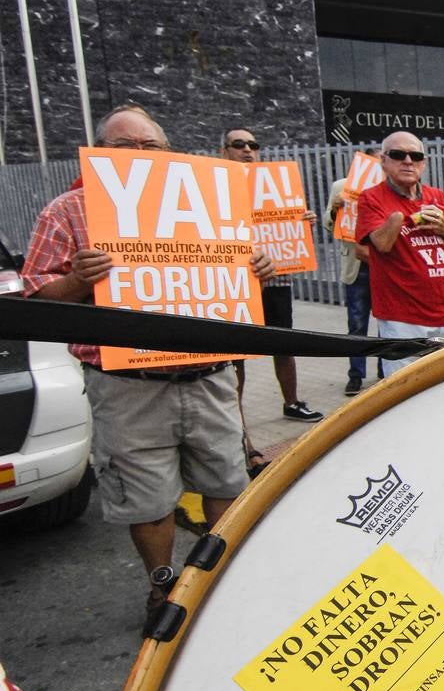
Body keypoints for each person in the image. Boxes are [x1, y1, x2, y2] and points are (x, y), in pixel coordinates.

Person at [21, 105, 274, 623]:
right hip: (127, 385)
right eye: (122, 147)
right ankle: (163, 586)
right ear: (97, 155)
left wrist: (259, 269)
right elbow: (34, 296)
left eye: (150, 146)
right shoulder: (69, 210)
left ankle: (218, 583)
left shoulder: (209, 205)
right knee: (147, 499)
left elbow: (236, 275)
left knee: (226, 482)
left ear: (168, 152)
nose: (138, 156)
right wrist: (76, 281)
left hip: (208, 376)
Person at [220, 127, 323, 423]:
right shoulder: (216, 186)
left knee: (283, 343)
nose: (247, 149)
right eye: (238, 144)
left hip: (277, 279)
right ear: (224, 151)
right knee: (236, 351)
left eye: (253, 144)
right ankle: (234, 417)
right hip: (238, 284)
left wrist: (302, 224)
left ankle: (291, 402)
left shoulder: (276, 186)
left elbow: (287, 232)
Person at [356, 131, 444, 375]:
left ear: (424, 162)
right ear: (384, 161)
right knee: (405, 390)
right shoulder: (371, 198)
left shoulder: (437, 197)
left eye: (416, 155)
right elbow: (382, 243)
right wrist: (400, 218)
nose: (408, 161)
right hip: (403, 318)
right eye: (399, 155)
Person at [323, 147, 382, 395]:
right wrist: (336, 210)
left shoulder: (389, 189)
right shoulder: (341, 187)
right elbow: (328, 227)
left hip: (383, 266)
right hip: (356, 268)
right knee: (357, 324)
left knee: (387, 324)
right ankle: (356, 375)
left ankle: (384, 370)